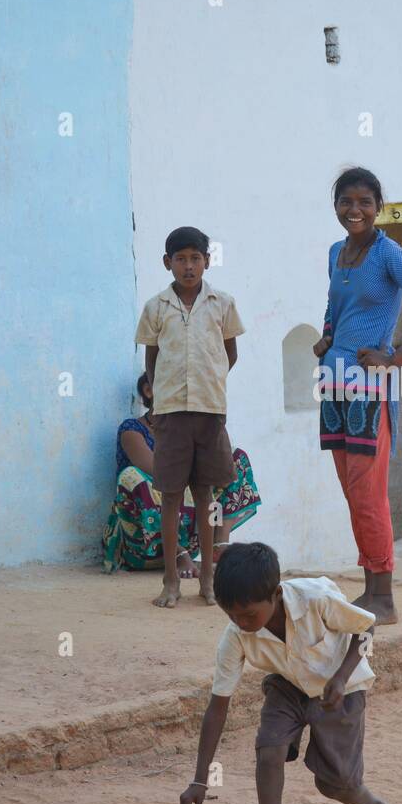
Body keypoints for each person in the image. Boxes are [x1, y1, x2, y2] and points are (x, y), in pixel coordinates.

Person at [313, 167, 402, 625]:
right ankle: (370, 588)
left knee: (369, 492)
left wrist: (398, 358)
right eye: (346, 202)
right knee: (353, 491)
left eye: (364, 202)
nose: (355, 210)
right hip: (333, 385)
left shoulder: (390, 255)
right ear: (335, 206)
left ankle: (384, 596)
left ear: (379, 207)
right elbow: (335, 306)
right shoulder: (336, 252)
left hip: (369, 388)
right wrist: (327, 338)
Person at [178, 542, 389, 804]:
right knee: (269, 752)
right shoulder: (235, 637)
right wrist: (200, 781)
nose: (240, 622)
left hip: (342, 689)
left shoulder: (315, 599)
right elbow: (218, 707)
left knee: (334, 785)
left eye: (249, 614)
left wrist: (340, 677)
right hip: (288, 685)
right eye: (231, 614)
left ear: (276, 594)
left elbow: (366, 628)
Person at [136, 226, 245, 607]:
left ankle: (208, 581)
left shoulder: (222, 303)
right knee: (169, 496)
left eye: (195, 258)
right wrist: (164, 393)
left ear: (207, 261)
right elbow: (152, 360)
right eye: (180, 259)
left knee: (205, 495)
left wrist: (208, 385)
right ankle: (170, 581)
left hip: (210, 411)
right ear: (167, 263)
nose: (188, 266)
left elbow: (229, 354)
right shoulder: (155, 307)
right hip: (170, 413)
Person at [102, 373, 261, 577]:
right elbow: (157, 471)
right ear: (149, 391)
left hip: (190, 525)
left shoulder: (189, 430)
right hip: (142, 540)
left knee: (236, 459)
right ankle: (177, 552)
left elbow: (218, 465)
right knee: (132, 477)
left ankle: (218, 545)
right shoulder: (131, 430)